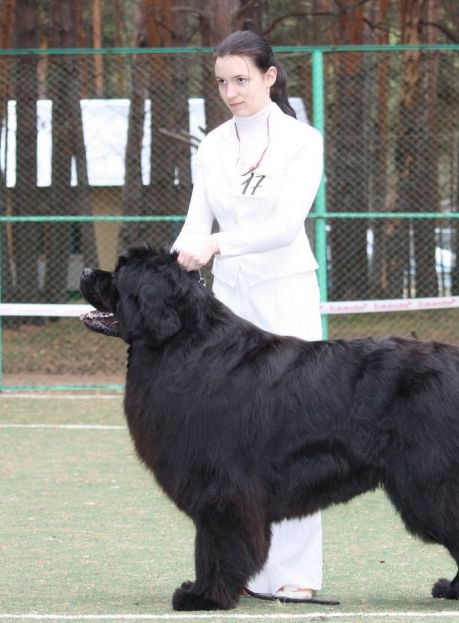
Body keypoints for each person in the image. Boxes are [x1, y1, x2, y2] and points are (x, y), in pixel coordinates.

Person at [171, 30, 324, 600]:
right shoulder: (212, 144)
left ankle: (296, 576)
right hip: (227, 304)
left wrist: (216, 245)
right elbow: (194, 223)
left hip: (285, 296)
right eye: (221, 82)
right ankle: (242, 569)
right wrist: (169, 269)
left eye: (241, 79)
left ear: (269, 76)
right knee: (231, 440)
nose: (231, 92)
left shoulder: (301, 141)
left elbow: (285, 226)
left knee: (296, 432)